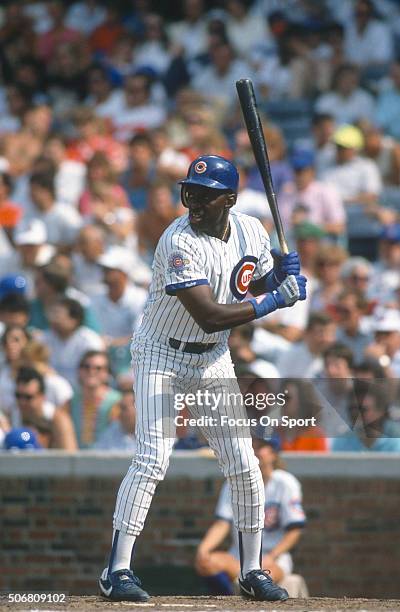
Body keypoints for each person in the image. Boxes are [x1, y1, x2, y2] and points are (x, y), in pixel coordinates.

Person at [98, 155, 307, 602]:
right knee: (153, 458)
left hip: (212, 360)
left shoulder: (251, 229)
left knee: (246, 464)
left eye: (206, 195)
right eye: (189, 192)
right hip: (161, 355)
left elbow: (247, 280)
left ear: (228, 199)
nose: (194, 202)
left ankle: (252, 570)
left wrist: (278, 275)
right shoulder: (178, 241)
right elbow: (211, 314)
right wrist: (275, 301)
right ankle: (116, 571)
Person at [195, 436, 306, 593]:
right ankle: (228, 603)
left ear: (273, 453)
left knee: (265, 576)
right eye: (251, 446)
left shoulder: (285, 483)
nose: (254, 451)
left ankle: (248, 599)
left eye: (260, 446)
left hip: (272, 557)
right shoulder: (234, 482)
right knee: (207, 562)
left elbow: (294, 529)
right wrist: (204, 549)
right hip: (239, 556)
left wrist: (273, 556)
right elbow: (222, 523)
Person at [332, 380, 400, 454]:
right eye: (352, 409)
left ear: (380, 411)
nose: (355, 414)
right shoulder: (342, 441)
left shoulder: (399, 438)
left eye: (363, 409)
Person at [70, 350, 121, 449]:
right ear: (79, 370)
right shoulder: (70, 402)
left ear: (107, 373)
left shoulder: (117, 402)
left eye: (98, 368)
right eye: (86, 367)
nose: (91, 371)